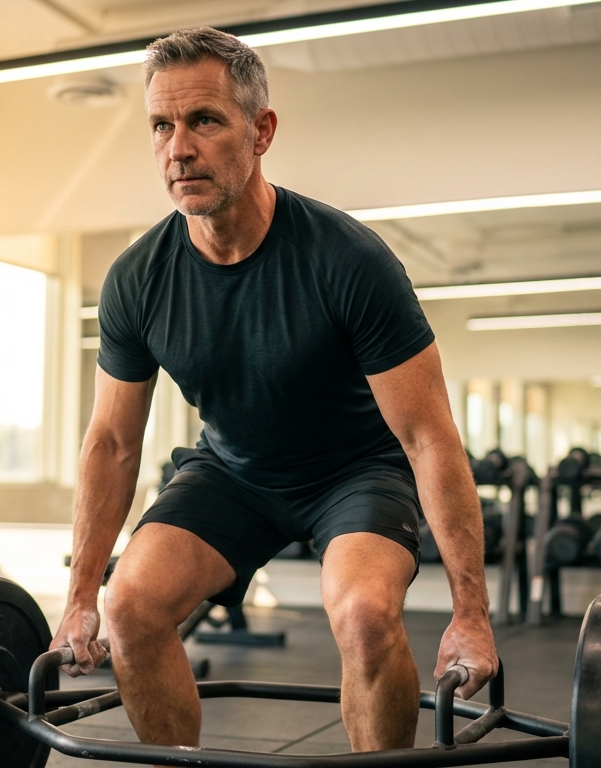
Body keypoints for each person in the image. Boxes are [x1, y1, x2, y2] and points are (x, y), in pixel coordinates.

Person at [50, 26, 497, 760]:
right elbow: (111, 441)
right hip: (232, 473)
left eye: (204, 121)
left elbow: (429, 438)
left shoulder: (348, 260)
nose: (178, 148)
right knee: (129, 606)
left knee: (362, 613)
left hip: (353, 473)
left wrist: (471, 614)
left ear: (261, 132)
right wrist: (77, 602)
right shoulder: (139, 278)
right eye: (161, 125)